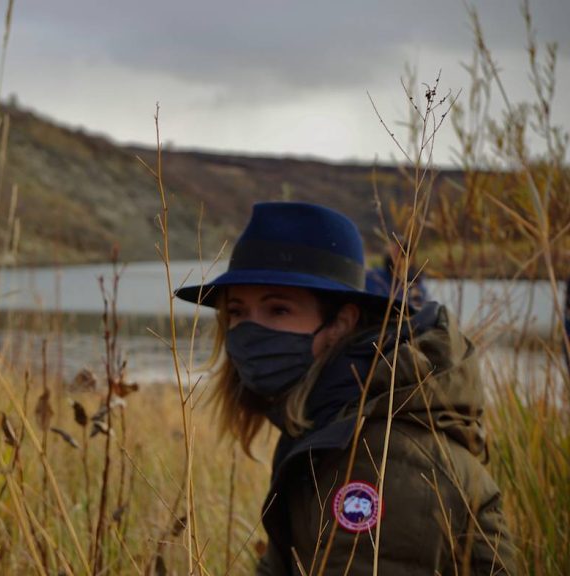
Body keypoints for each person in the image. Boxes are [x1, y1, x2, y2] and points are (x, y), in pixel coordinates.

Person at [174, 202, 518, 575]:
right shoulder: (326, 425)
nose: (248, 331)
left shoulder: (381, 455)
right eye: (238, 312)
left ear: (341, 323)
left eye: (278, 310)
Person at [365, 234, 430, 310]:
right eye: (395, 253)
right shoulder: (375, 278)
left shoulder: (417, 286)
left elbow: (420, 309)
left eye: (403, 255)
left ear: (411, 259)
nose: (400, 260)